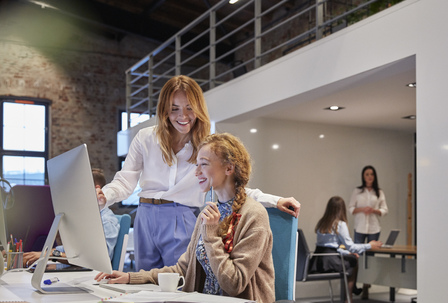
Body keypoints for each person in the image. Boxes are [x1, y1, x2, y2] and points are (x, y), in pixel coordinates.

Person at [97, 75, 300, 272]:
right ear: (165, 110)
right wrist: (105, 196)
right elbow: (125, 180)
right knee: (146, 281)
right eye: (174, 109)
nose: (182, 116)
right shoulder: (145, 138)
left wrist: (275, 201)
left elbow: (230, 186)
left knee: (179, 283)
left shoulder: (206, 146)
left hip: (182, 216)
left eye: (189, 108)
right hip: (144, 216)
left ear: (198, 110)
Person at [96, 133, 276, 303]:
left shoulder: (253, 215)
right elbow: (183, 269)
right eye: (196, 165)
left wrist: (211, 237)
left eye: (203, 164)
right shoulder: (208, 213)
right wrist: (130, 277)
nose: (196, 172)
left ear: (229, 169)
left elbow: (234, 284)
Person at [23, 168, 120, 267]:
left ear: (96, 188)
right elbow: (73, 251)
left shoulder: (106, 221)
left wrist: (51, 255)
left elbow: (97, 261)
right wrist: (40, 254)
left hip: (89, 274)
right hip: (76, 268)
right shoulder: (87, 218)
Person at [315, 196, 382, 303]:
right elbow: (351, 246)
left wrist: (347, 252)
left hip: (318, 262)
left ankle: (351, 293)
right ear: (342, 209)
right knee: (353, 262)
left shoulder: (322, 223)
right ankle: (349, 300)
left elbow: (329, 248)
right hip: (331, 262)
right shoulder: (340, 224)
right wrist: (369, 245)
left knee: (351, 257)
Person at [348, 165, 388, 299]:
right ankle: (353, 286)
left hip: (374, 228)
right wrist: (362, 209)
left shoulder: (379, 192)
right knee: (356, 256)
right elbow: (351, 208)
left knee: (370, 259)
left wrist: (374, 210)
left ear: (374, 176)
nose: (369, 176)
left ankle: (366, 287)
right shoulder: (357, 191)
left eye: (371, 174)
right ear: (363, 176)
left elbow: (384, 210)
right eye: (367, 174)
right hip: (359, 227)